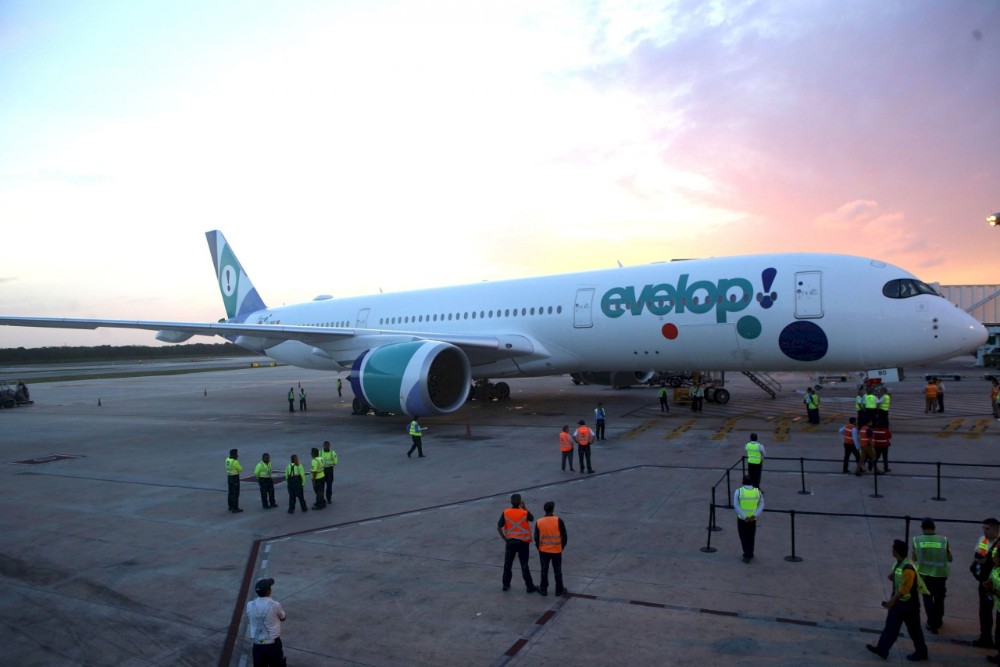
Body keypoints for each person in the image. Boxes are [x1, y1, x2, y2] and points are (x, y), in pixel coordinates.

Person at [866, 539, 929, 661]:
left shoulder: (908, 568)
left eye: (893, 548)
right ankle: (882, 649)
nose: (892, 550)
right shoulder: (899, 563)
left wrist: (892, 601)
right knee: (891, 627)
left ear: (896, 551)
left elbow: (906, 588)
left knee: (914, 630)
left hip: (909, 605)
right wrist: (892, 576)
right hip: (900, 604)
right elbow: (895, 576)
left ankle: (922, 652)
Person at [911, 518, 951, 634]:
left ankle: (931, 621)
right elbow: (950, 558)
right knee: (939, 599)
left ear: (922, 528)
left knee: (927, 599)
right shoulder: (943, 540)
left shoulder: (917, 540)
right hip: (940, 575)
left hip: (924, 575)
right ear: (934, 527)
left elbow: (914, 558)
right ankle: (938, 621)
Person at [497, 493, 537, 593]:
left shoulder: (506, 512)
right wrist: (525, 507)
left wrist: (504, 538)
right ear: (520, 502)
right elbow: (532, 519)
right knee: (524, 565)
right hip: (523, 542)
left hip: (510, 542)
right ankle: (529, 586)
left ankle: (505, 585)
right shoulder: (524, 512)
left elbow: (499, 526)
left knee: (508, 564)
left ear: (511, 502)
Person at [972, 517, 1000, 649]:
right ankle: (986, 638)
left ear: (995, 528)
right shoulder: (982, 539)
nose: (984, 531)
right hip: (985, 582)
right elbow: (977, 555)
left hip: (997, 585)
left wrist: (987, 563)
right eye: (983, 528)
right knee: (984, 612)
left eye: (987, 529)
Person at [245, 577, 286, 667]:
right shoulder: (275, 605)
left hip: (258, 644)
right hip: (273, 644)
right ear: (268, 591)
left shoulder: (250, 605)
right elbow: (283, 617)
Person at [534, 500, 568, 597]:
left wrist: (539, 548)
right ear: (553, 510)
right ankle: (559, 589)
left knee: (544, 570)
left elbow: (536, 538)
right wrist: (561, 547)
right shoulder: (558, 520)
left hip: (544, 551)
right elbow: (564, 536)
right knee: (557, 570)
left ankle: (543, 589)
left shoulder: (539, 522)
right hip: (556, 550)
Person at [733, 475, 763, 563]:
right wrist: (755, 515)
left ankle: (747, 554)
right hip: (753, 519)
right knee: (751, 535)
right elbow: (761, 504)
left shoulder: (739, 491)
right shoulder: (757, 492)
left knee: (743, 536)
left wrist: (744, 516)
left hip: (742, 519)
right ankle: (751, 552)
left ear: (743, 482)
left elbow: (736, 505)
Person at [226, 448, 243, 513]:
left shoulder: (227, 459)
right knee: (236, 493)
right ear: (235, 455)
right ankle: (235, 508)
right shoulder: (235, 462)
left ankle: (230, 506)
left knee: (230, 492)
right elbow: (240, 469)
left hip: (229, 477)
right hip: (235, 477)